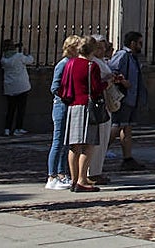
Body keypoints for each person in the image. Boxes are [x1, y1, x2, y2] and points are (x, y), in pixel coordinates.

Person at [60, 35, 108, 192]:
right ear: (92, 50)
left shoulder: (70, 63)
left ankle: (74, 180)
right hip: (87, 107)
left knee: (74, 146)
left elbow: (64, 86)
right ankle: (82, 179)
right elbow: (95, 89)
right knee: (89, 145)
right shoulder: (91, 66)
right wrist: (107, 83)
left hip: (73, 106)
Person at [45, 35, 81, 190]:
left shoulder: (72, 63)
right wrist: (67, 94)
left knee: (66, 142)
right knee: (58, 141)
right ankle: (51, 176)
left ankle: (61, 173)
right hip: (61, 105)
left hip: (69, 104)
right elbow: (54, 87)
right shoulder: (63, 64)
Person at [109, 31, 147, 170]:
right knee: (117, 125)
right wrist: (123, 81)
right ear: (133, 43)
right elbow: (112, 71)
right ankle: (99, 152)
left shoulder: (133, 57)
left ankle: (127, 158)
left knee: (127, 127)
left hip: (132, 98)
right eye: (140, 43)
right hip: (123, 98)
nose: (141, 46)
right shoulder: (123, 55)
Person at [86, 36, 120, 185]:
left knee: (103, 139)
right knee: (96, 139)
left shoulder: (102, 62)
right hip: (98, 103)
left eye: (103, 47)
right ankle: (91, 172)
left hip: (105, 103)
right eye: (98, 47)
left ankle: (97, 170)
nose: (101, 50)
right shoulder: (92, 62)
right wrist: (108, 80)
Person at [0, 39, 34, 136]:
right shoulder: (19, 56)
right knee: (20, 109)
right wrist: (27, 54)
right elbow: (30, 60)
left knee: (10, 109)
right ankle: (18, 128)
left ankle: (7, 128)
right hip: (22, 86)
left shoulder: (3, 59)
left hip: (10, 86)